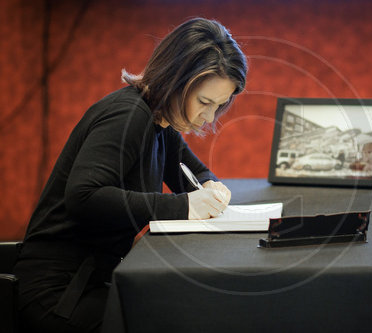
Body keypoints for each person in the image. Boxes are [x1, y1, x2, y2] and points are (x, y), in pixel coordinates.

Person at [13, 17, 247, 333]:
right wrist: (185, 206)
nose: (208, 117)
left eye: (218, 105)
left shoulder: (161, 121)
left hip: (93, 281)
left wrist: (210, 185)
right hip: (60, 293)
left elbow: (191, 172)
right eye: (204, 102)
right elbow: (84, 196)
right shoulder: (128, 115)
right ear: (175, 80)